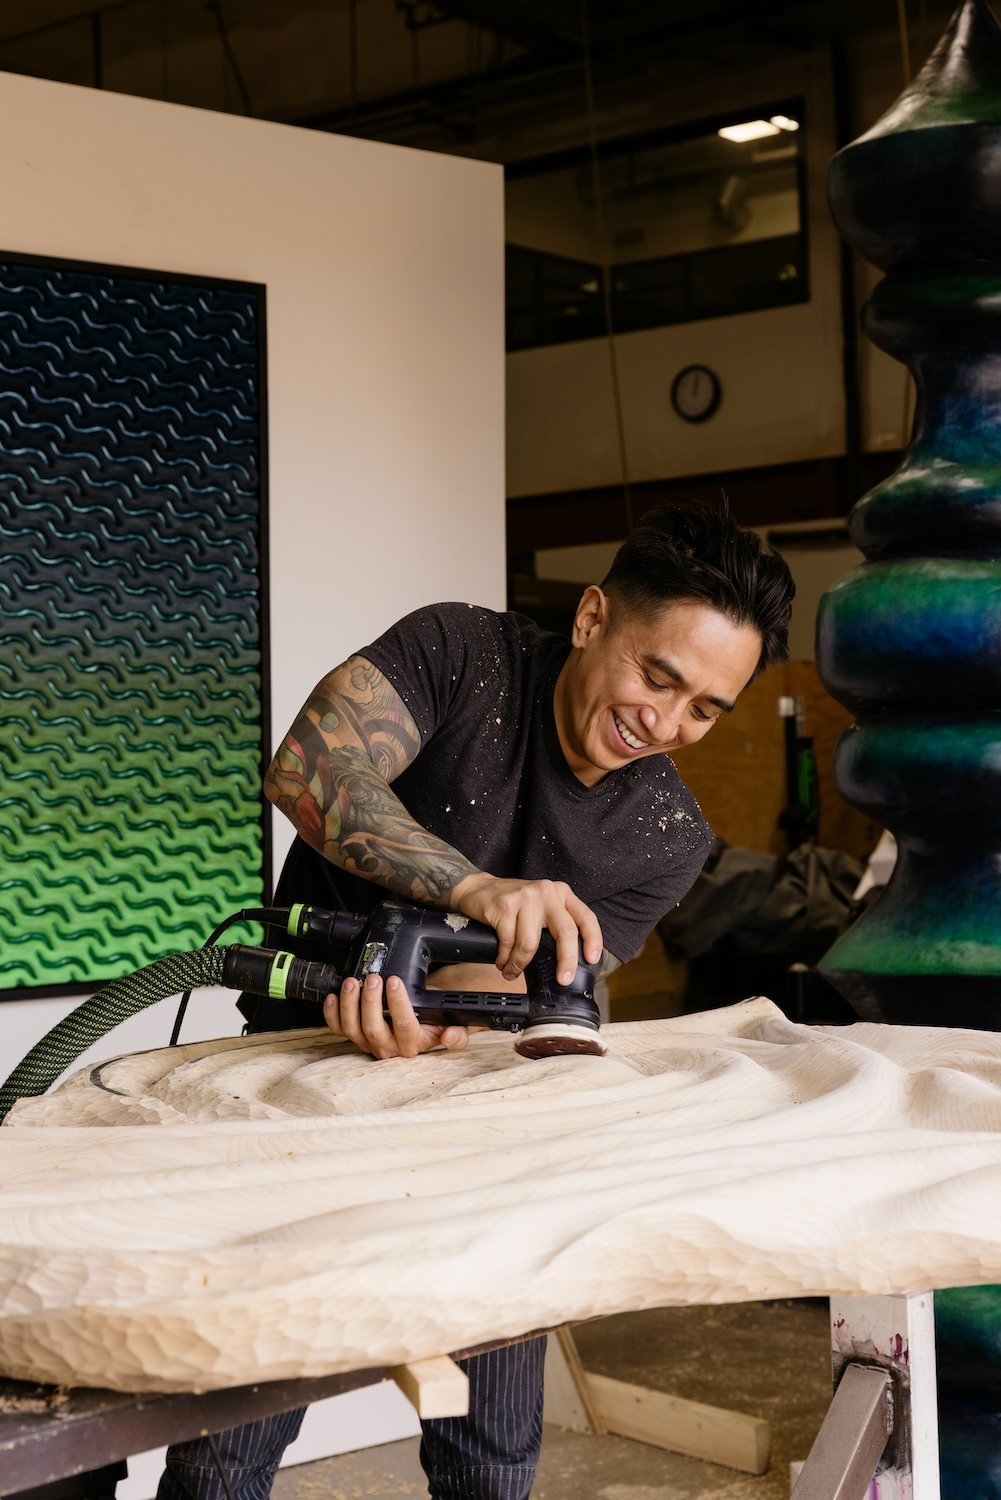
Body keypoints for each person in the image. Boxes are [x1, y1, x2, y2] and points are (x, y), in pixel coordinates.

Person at [157, 499, 794, 1500]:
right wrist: (471, 888)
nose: (663, 722)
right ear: (591, 618)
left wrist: (439, 1016)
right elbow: (309, 766)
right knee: (230, 1440)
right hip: (286, 1094)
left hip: (481, 1127)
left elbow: (509, 989)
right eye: (655, 675)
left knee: (490, 1453)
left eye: (703, 709)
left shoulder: (664, 835)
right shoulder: (460, 654)